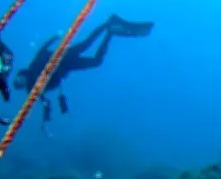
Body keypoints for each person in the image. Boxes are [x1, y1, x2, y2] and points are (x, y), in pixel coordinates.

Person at [13, 14, 154, 125]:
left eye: (19, 81)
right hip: (66, 65)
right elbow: (43, 100)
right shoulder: (33, 88)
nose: (22, 83)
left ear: (22, 75)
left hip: (63, 58)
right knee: (95, 61)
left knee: (87, 45)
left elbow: (41, 51)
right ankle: (110, 32)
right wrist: (47, 113)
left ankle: (108, 23)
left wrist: (53, 38)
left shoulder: (32, 70)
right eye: (19, 84)